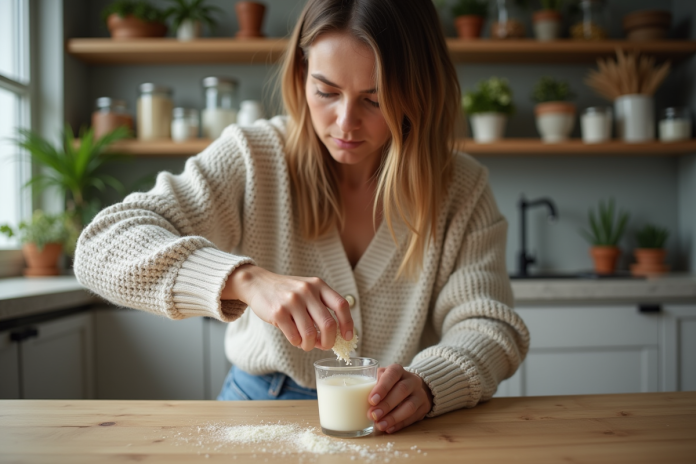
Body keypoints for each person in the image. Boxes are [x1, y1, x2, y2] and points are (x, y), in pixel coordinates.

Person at [74, 0, 529, 435]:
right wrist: (245, 280)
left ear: (418, 93)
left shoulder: (461, 188)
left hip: (397, 417)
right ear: (300, 74)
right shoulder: (253, 156)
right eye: (326, 91)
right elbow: (101, 245)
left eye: (375, 99)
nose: (345, 122)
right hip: (256, 407)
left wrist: (430, 384)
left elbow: (490, 325)